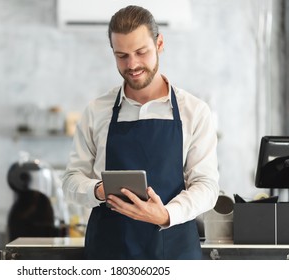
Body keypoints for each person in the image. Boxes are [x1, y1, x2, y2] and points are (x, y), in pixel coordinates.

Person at [62, 5, 219, 260]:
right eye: (122, 55)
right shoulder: (96, 111)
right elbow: (71, 180)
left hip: (175, 252)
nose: (132, 64)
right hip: (109, 253)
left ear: (159, 44)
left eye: (140, 52)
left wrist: (166, 214)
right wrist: (100, 190)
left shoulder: (195, 111)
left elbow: (206, 186)